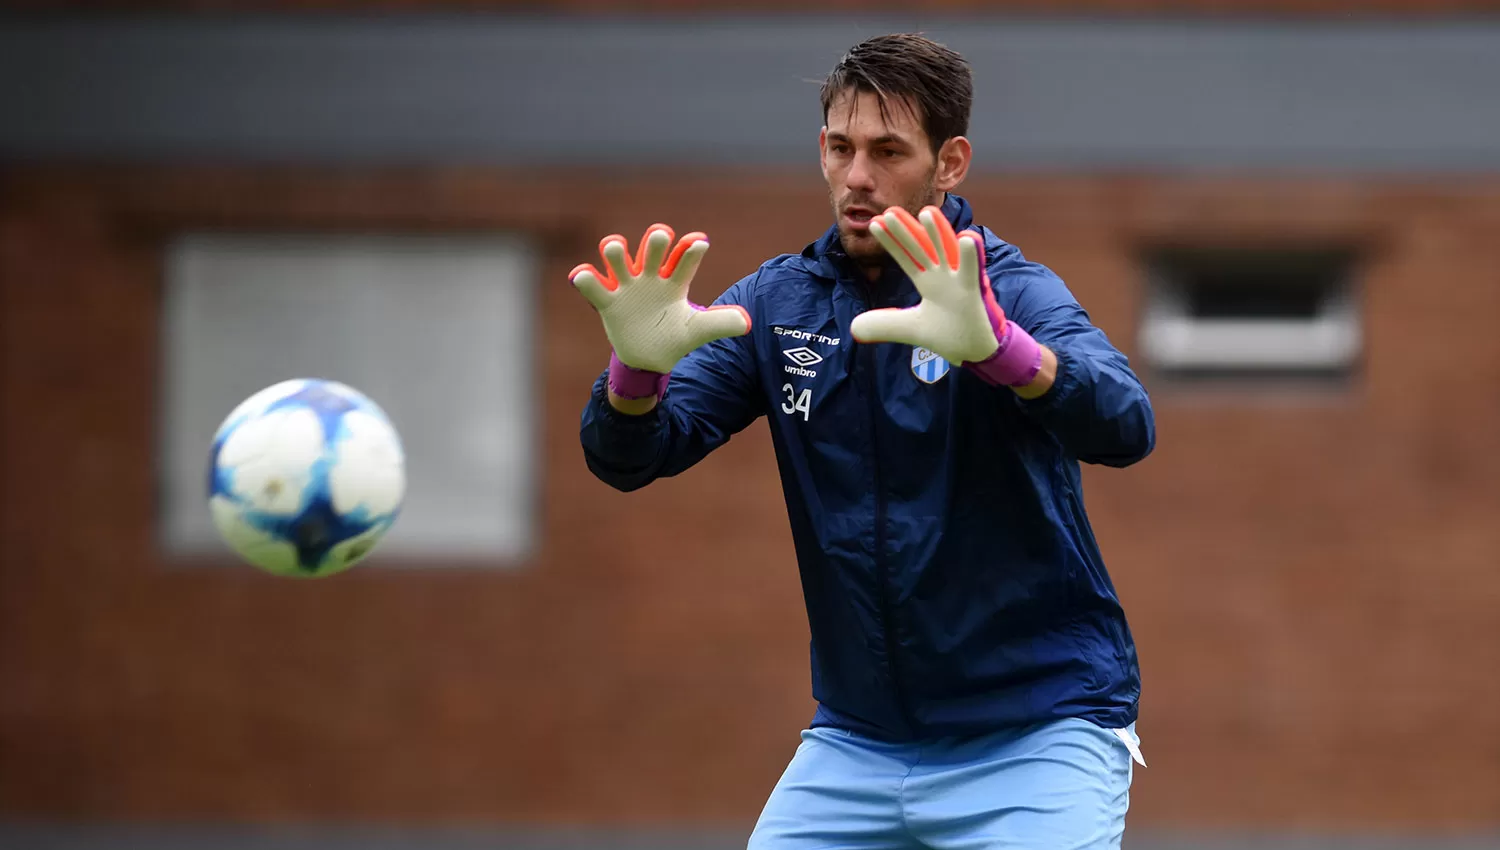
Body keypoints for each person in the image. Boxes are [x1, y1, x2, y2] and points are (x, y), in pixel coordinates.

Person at [572, 33, 1154, 850]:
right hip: (856, 744)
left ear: (949, 163)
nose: (857, 177)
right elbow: (631, 459)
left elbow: (1128, 424)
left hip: (1037, 734)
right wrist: (635, 375)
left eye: (888, 151)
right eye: (841, 148)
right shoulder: (776, 305)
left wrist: (1000, 351)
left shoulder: (1013, 291)